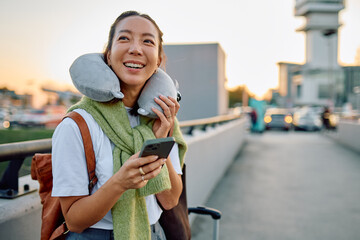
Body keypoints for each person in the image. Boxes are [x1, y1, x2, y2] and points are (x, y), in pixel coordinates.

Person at [51, 10, 187, 240]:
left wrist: (159, 140)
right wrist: (120, 183)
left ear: (158, 60)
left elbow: (170, 200)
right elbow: (74, 220)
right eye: (124, 38)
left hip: (151, 233)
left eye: (147, 41)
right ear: (108, 55)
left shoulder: (162, 120)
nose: (136, 48)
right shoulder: (77, 124)